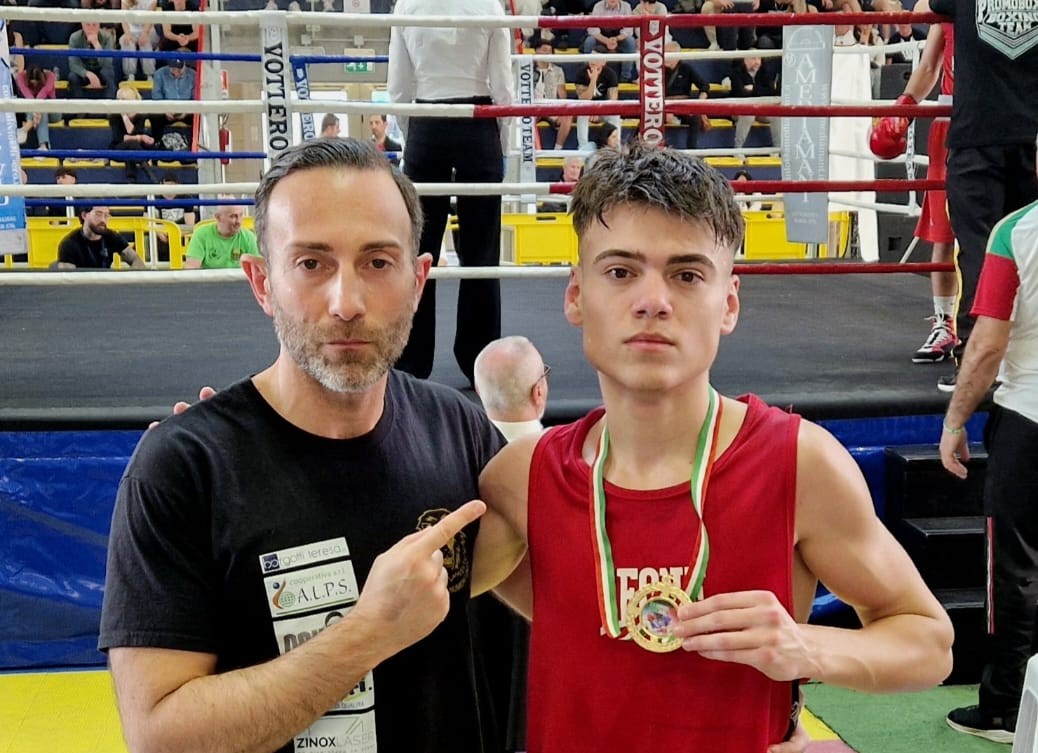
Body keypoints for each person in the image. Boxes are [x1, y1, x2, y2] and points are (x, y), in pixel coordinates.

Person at [478, 141, 954, 752]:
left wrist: (806, 647)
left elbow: (928, 643)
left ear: (727, 302)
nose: (653, 300)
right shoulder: (521, 478)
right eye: (621, 271)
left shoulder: (799, 462)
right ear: (576, 296)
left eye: (686, 274)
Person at [98, 138, 525, 753]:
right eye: (311, 263)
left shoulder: (459, 432)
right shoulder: (184, 468)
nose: (346, 303)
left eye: (378, 263)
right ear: (262, 282)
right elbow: (160, 737)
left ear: (418, 281)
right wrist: (369, 633)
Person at [938, 136, 1038, 746]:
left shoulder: (1015, 231)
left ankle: (1003, 709)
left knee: (1016, 570)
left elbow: (987, 343)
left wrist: (953, 423)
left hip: (1028, 418)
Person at [388, 0, 513, 386]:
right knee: (482, 247)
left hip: (427, 122)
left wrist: (415, 138)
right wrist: (502, 144)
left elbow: (398, 88)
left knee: (419, 247)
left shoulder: (407, 5)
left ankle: (411, 359)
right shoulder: (489, 5)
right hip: (479, 123)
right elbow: (504, 85)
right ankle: (480, 359)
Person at [928, 0, 1038, 391]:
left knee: (979, 250)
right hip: (1030, 138)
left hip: (978, 135)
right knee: (1028, 251)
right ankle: (1021, 361)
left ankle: (977, 367)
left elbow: (931, 5)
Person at [868, 2, 957, 365]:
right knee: (944, 232)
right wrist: (903, 107)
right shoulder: (949, 7)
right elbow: (929, 66)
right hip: (953, 116)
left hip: (1007, 117)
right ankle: (944, 323)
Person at [473, 335, 549, 441]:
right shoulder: (565, 453)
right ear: (538, 393)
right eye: (544, 373)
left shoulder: (461, 450)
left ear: (478, 390)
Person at [53, 204, 144, 269]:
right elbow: (67, 282)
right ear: (84, 215)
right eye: (98, 214)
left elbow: (136, 260)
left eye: (106, 215)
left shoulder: (112, 237)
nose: (103, 220)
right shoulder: (69, 244)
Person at [184, 200, 259, 268]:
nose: (239, 221)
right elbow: (191, 269)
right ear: (218, 217)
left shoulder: (249, 237)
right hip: (209, 282)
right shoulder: (201, 234)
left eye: (241, 215)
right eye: (233, 216)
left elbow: (257, 270)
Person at [530, 33, 574, 150]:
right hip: (533, 106)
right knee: (526, 118)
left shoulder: (557, 70)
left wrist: (562, 111)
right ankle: (535, 151)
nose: (547, 53)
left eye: (549, 51)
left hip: (551, 107)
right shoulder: (527, 69)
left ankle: (557, 149)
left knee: (568, 116)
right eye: (544, 50)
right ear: (536, 51)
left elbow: (562, 95)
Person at [575, 49, 621, 151]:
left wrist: (598, 111)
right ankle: (582, 148)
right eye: (591, 57)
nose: (592, 61)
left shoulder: (610, 74)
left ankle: (617, 148)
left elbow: (613, 101)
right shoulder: (581, 72)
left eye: (596, 58)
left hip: (603, 111)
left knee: (615, 115)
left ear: (603, 62)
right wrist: (593, 79)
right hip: (587, 109)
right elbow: (584, 99)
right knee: (581, 112)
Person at [109, 86, 157, 183]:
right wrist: (124, 116)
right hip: (118, 148)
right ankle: (151, 176)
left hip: (135, 148)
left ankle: (131, 179)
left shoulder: (140, 114)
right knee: (131, 144)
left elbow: (134, 133)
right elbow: (121, 138)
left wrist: (139, 138)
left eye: (125, 100)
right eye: (120, 100)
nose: (122, 102)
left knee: (134, 147)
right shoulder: (114, 115)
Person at [582, 0, 636, 83]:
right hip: (602, 37)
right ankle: (587, 73)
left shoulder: (626, 6)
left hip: (619, 38)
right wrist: (606, 41)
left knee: (631, 42)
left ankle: (625, 77)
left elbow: (628, 30)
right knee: (589, 41)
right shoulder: (598, 6)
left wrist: (616, 39)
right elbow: (593, 29)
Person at [67, 21, 117, 107]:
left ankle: (107, 110)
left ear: (99, 25)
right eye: (88, 24)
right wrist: (87, 74)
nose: (91, 28)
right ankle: (80, 110)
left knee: (109, 74)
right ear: (82, 25)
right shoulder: (74, 38)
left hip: (101, 69)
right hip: (84, 71)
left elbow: (107, 63)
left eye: (94, 24)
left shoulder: (107, 37)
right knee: (73, 77)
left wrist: (96, 44)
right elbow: (73, 64)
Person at [150, 57, 197, 148]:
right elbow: (156, 95)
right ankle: (157, 144)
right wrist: (165, 110)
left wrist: (186, 112)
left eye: (180, 68)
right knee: (154, 115)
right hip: (166, 109)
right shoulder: (159, 74)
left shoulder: (194, 76)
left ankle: (194, 145)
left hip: (187, 109)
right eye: (174, 68)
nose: (177, 71)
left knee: (199, 115)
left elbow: (195, 97)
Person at [14, 65, 59, 151]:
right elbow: (27, 95)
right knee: (41, 111)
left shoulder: (50, 76)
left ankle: (25, 129)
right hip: (29, 111)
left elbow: (44, 92)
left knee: (42, 109)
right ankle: (43, 146)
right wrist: (36, 111)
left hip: (52, 111)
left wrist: (36, 111)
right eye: (32, 83)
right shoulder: (20, 77)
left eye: (37, 82)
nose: (34, 85)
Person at [155, 171, 196, 263]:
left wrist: (175, 234)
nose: (170, 188)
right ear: (161, 184)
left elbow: (190, 225)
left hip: (180, 234)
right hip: (161, 235)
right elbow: (148, 221)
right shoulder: (154, 198)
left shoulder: (186, 199)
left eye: (172, 185)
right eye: (167, 185)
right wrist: (158, 232)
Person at [118, 0, 158, 80]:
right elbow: (124, 19)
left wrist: (144, 34)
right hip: (131, 30)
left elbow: (150, 19)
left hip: (148, 29)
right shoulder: (125, 1)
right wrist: (127, 33)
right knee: (127, 42)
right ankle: (130, 74)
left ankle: (149, 74)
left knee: (145, 42)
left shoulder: (152, 1)